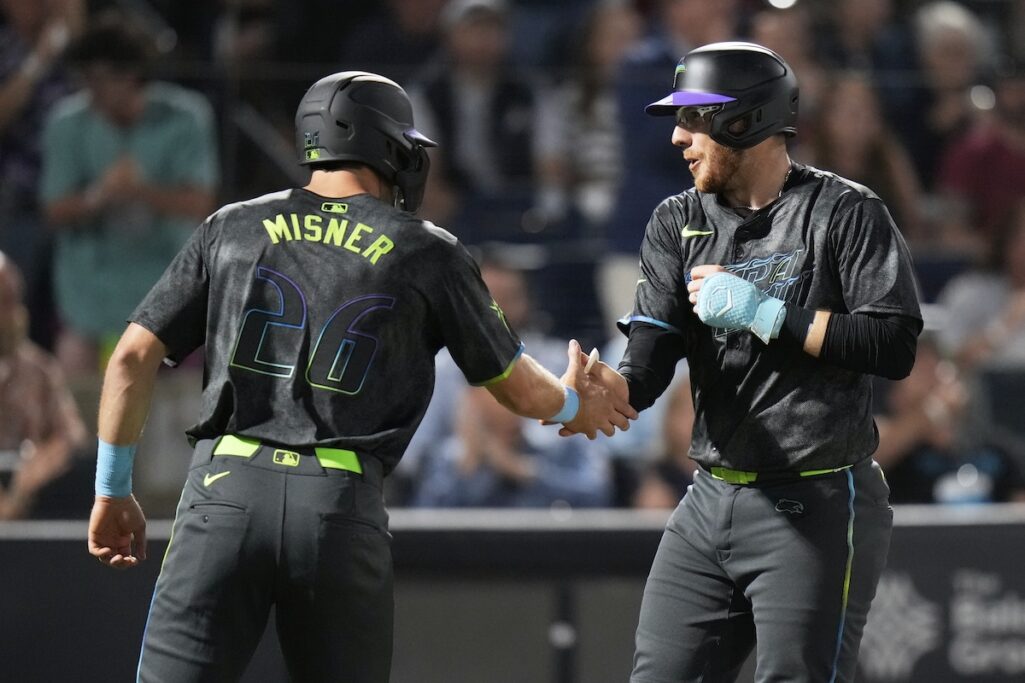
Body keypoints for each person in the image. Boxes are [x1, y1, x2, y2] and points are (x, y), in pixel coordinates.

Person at [86, 70, 635, 682]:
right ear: (388, 145)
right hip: (338, 502)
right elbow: (518, 387)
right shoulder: (426, 248)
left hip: (225, 486)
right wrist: (572, 406)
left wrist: (112, 489)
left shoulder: (231, 226)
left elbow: (131, 358)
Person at [572, 42, 923, 681]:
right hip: (708, 499)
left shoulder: (845, 212)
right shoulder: (676, 220)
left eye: (693, 119)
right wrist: (608, 389)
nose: (678, 137)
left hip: (817, 499)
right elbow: (651, 355)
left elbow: (892, 344)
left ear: (745, 119)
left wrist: (767, 315)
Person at [39, 15, 218, 377]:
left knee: (182, 399)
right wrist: (98, 195)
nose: (92, 89)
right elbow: (54, 210)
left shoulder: (187, 117)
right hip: (90, 293)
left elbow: (199, 203)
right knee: (73, 371)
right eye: (85, 78)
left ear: (132, 75)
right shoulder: (67, 123)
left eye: (101, 78)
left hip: (165, 284)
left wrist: (139, 190)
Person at [412, 384, 612, 508]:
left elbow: (597, 497)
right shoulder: (445, 459)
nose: (510, 400)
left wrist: (525, 472)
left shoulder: (562, 444)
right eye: (497, 392)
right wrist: (468, 465)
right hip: (473, 572)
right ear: (473, 399)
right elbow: (426, 523)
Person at [0, 250, 86, 519]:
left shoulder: (39, 370)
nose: (10, 314)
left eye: (12, 301)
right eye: (1, 302)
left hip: (29, 505)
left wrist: (37, 468)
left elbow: (71, 436)